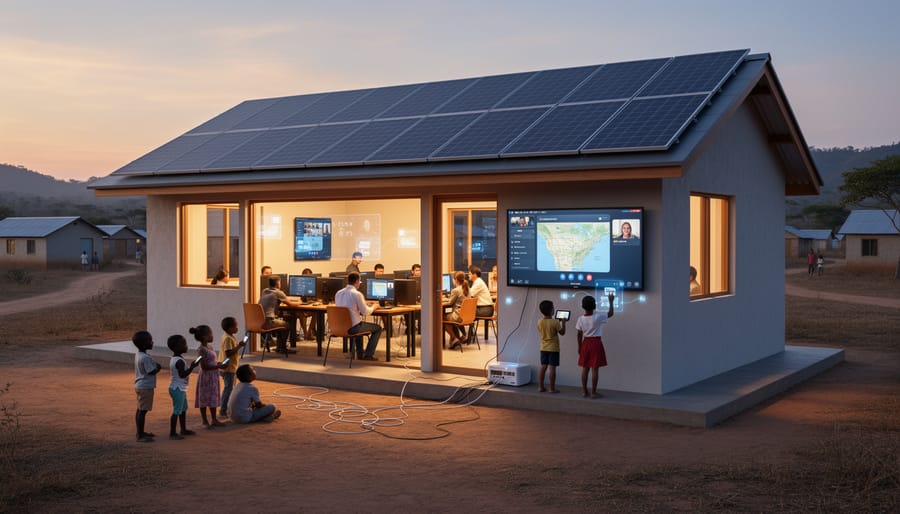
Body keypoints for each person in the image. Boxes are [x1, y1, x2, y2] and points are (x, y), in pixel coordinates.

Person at [334, 272, 382, 361]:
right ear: (357, 281)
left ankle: (360, 354)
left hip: (339, 327)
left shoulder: (338, 293)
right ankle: (368, 355)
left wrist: (363, 303)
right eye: (359, 281)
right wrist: (374, 306)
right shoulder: (357, 294)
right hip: (353, 328)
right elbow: (365, 312)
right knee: (378, 328)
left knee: (359, 323)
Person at [575, 292, 615, 398]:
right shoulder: (598, 317)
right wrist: (611, 301)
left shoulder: (580, 319)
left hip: (585, 343)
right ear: (594, 306)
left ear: (582, 306)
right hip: (596, 343)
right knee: (595, 368)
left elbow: (579, 335)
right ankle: (593, 392)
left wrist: (579, 346)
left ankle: (584, 391)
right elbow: (610, 313)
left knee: (585, 368)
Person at [190, 324, 225, 428]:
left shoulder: (209, 347)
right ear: (205, 337)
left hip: (213, 376)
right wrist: (217, 366)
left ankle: (214, 419)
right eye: (211, 334)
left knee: (213, 397)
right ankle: (205, 421)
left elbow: (212, 361)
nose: (212, 336)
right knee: (204, 397)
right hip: (206, 377)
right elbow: (204, 366)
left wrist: (218, 364)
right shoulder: (201, 350)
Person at [166, 334, 199, 440]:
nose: (186, 346)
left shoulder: (176, 358)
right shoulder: (179, 361)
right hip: (178, 389)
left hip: (178, 388)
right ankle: (172, 433)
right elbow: (182, 374)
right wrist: (192, 367)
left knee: (183, 409)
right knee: (177, 411)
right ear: (176, 347)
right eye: (183, 344)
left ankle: (183, 429)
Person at [259, 275, 302, 352]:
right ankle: (282, 348)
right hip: (268, 322)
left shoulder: (264, 291)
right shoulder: (278, 292)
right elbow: (291, 305)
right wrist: (300, 302)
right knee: (287, 325)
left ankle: (279, 347)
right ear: (278, 283)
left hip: (258, 321)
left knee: (282, 322)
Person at [132, 330, 162, 442]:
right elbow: (151, 371)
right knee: (143, 411)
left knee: (140, 409)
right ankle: (140, 435)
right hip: (145, 387)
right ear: (144, 344)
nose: (152, 342)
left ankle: (140, 432)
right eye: (150, 340)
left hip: (140, 385)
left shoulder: (139, 354)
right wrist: (158, 368)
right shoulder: (145, 358)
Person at [218, 316, 245, 419]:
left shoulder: (228, 336)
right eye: (235, 327)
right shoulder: (228, 338)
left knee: (229, 388)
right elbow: (228, 353)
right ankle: (223, 410)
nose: (237, 328)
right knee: (228, 389)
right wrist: (239, 346)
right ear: (230, 328)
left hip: (228, 367)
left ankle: (226, 408)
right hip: (228, 368)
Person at [537, 300, 566, 393]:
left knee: (543, 366)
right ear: (551, 310)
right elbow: (562, 333)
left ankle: (540, 387)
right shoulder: (555, 322)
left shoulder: (539, 322)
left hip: (543, 347)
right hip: (553, 348)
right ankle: (552, 388)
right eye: (553, 308)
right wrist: (564, 323)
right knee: (552, 368)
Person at [443, 271, 469, 350]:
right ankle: (460, 336)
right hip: (467, 316)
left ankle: (454, 338)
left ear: (456, 280)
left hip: (458, 316)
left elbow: (450, 302)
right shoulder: (468, 289)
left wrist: (445, 299)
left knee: (441, 317)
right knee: (447, 316)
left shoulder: (456, 290)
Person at [467, 266, 494, 341]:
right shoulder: (478, 282)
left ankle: (466, 337)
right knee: (464, 312)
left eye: (469, 274)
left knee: (463, 313)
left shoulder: (478, 283)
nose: (468, 275)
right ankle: (467, 336)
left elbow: (470, 295)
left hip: (485, 309)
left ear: (474, 275)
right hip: (486, 308)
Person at [298, 268, 317, 340]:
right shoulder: (298, 285)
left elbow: (316, 298)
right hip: (300, 308)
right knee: (300, 313)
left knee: (316, 313)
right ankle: (305, 333)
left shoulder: (314, 285)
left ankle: (309, 333)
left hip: (310, 307)